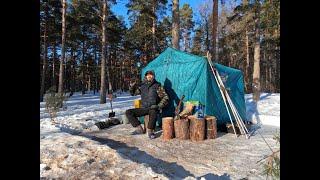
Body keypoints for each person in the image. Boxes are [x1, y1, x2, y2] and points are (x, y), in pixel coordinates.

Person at [125, 70, 169, 139]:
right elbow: (133, 93)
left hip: (153, 108)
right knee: (128, 112)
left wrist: (158, 106)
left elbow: (165, 97)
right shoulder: (143, 86)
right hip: (144, 108)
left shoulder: (157, 85)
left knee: (153, 111)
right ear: (146, 76)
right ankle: (139, 128)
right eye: (148, 75)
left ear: (153, 76)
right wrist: (132, 86)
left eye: (151, 75)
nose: (149, 76)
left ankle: (150, 131)